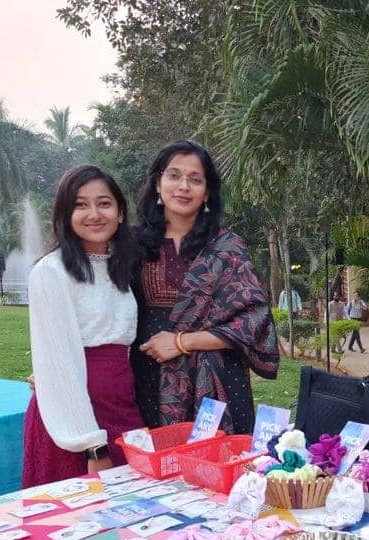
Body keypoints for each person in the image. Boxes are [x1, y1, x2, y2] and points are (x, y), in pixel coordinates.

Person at [132, 140, 279, 433]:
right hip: (146, 378)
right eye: (174, 175)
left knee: (217, 469)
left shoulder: (228, 248)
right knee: (151, 472)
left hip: (217, 385)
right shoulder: (132, 245)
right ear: (158, 184)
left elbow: (254, 324)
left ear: (207, 192)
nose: (183, 186)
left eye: (195, 179)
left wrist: (180, 342)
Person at [22, 165, 143, 487]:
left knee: (134, 515)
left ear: (119, 213)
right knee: (82, 519)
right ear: (65, 214)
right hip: (75, 417)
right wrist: (92, 446)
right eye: (80, 205)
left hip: (121, 403)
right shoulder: (51, 272)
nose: (94, 214)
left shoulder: (121, 269)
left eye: (104, 203)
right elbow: (60, 362)